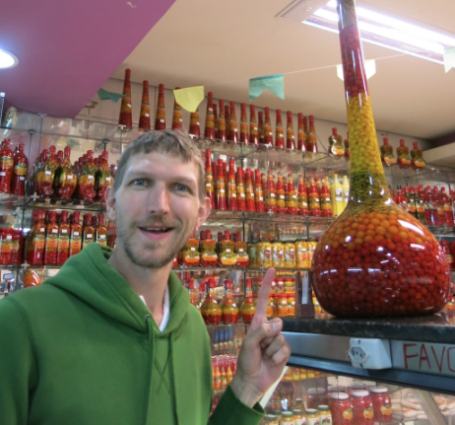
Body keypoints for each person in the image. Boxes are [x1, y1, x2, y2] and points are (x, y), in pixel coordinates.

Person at [0, 130, 290, 424]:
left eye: (180, 187)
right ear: (111, 202)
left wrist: (246, 388)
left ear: (201, 212)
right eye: (141, 182)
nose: (159, 206)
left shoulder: (193, 329)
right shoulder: (19, 324)